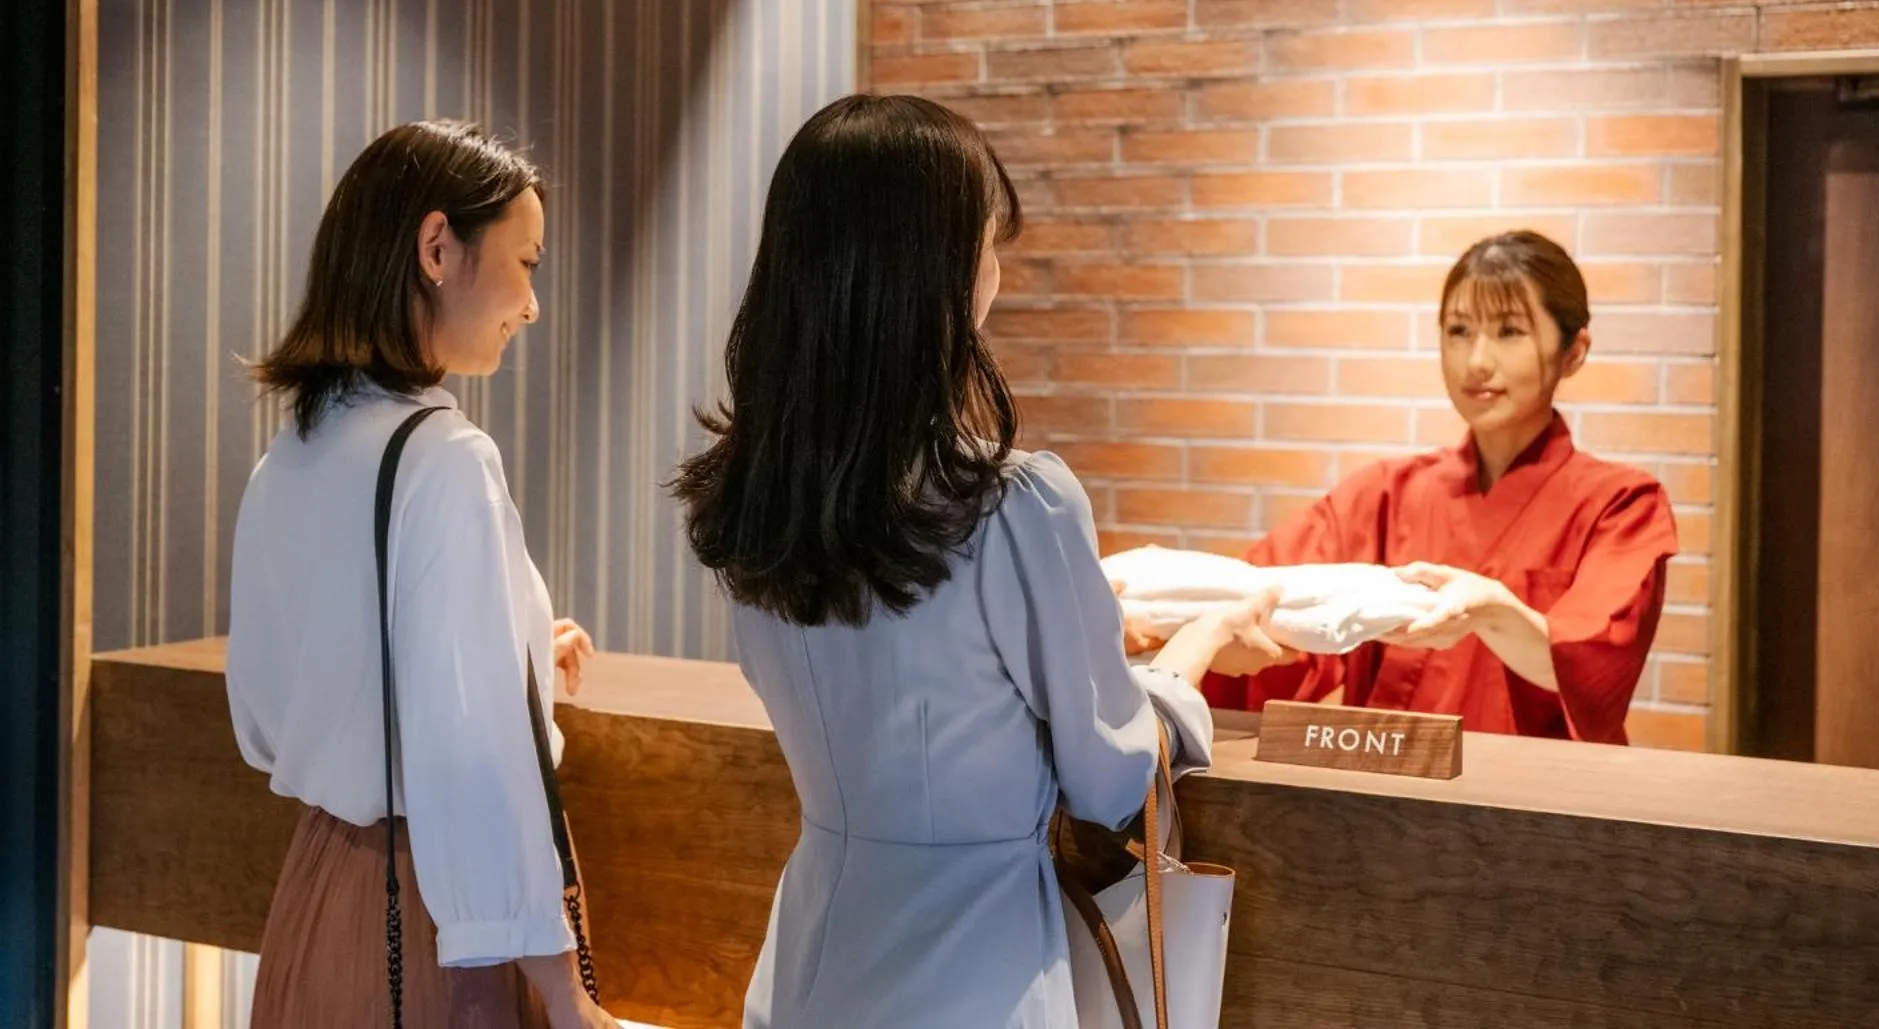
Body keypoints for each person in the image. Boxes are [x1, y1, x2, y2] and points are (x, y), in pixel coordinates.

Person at [673, 94, 1281, 1029]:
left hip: (804, 969)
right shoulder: (1014, 504)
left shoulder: (754, 501)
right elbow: (1112, 779)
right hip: (972, 982)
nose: (997, 267)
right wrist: (1189, 656)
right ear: (941, 271)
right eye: (989, 241)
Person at [226, 120, 616, 1028]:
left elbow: (285, 709)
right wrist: (566, 993)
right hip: (434, 920)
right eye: (527, 263)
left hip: (314, 898)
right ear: (438, 247)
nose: (533, 304)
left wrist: (512, 645)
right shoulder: (443, 457)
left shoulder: (295, 450)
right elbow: (478, 769)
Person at [1202, 231, 1679, 744]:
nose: (1476, 360)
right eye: (1458, 331)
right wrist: (1144, 621)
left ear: (1574, 351)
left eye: (1509, 331)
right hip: (1382, 796)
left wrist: (1495, 611)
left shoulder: (1623, 505)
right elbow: (1256, 593)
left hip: (1534, 804)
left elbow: (1591, 666)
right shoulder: (1384, 493)